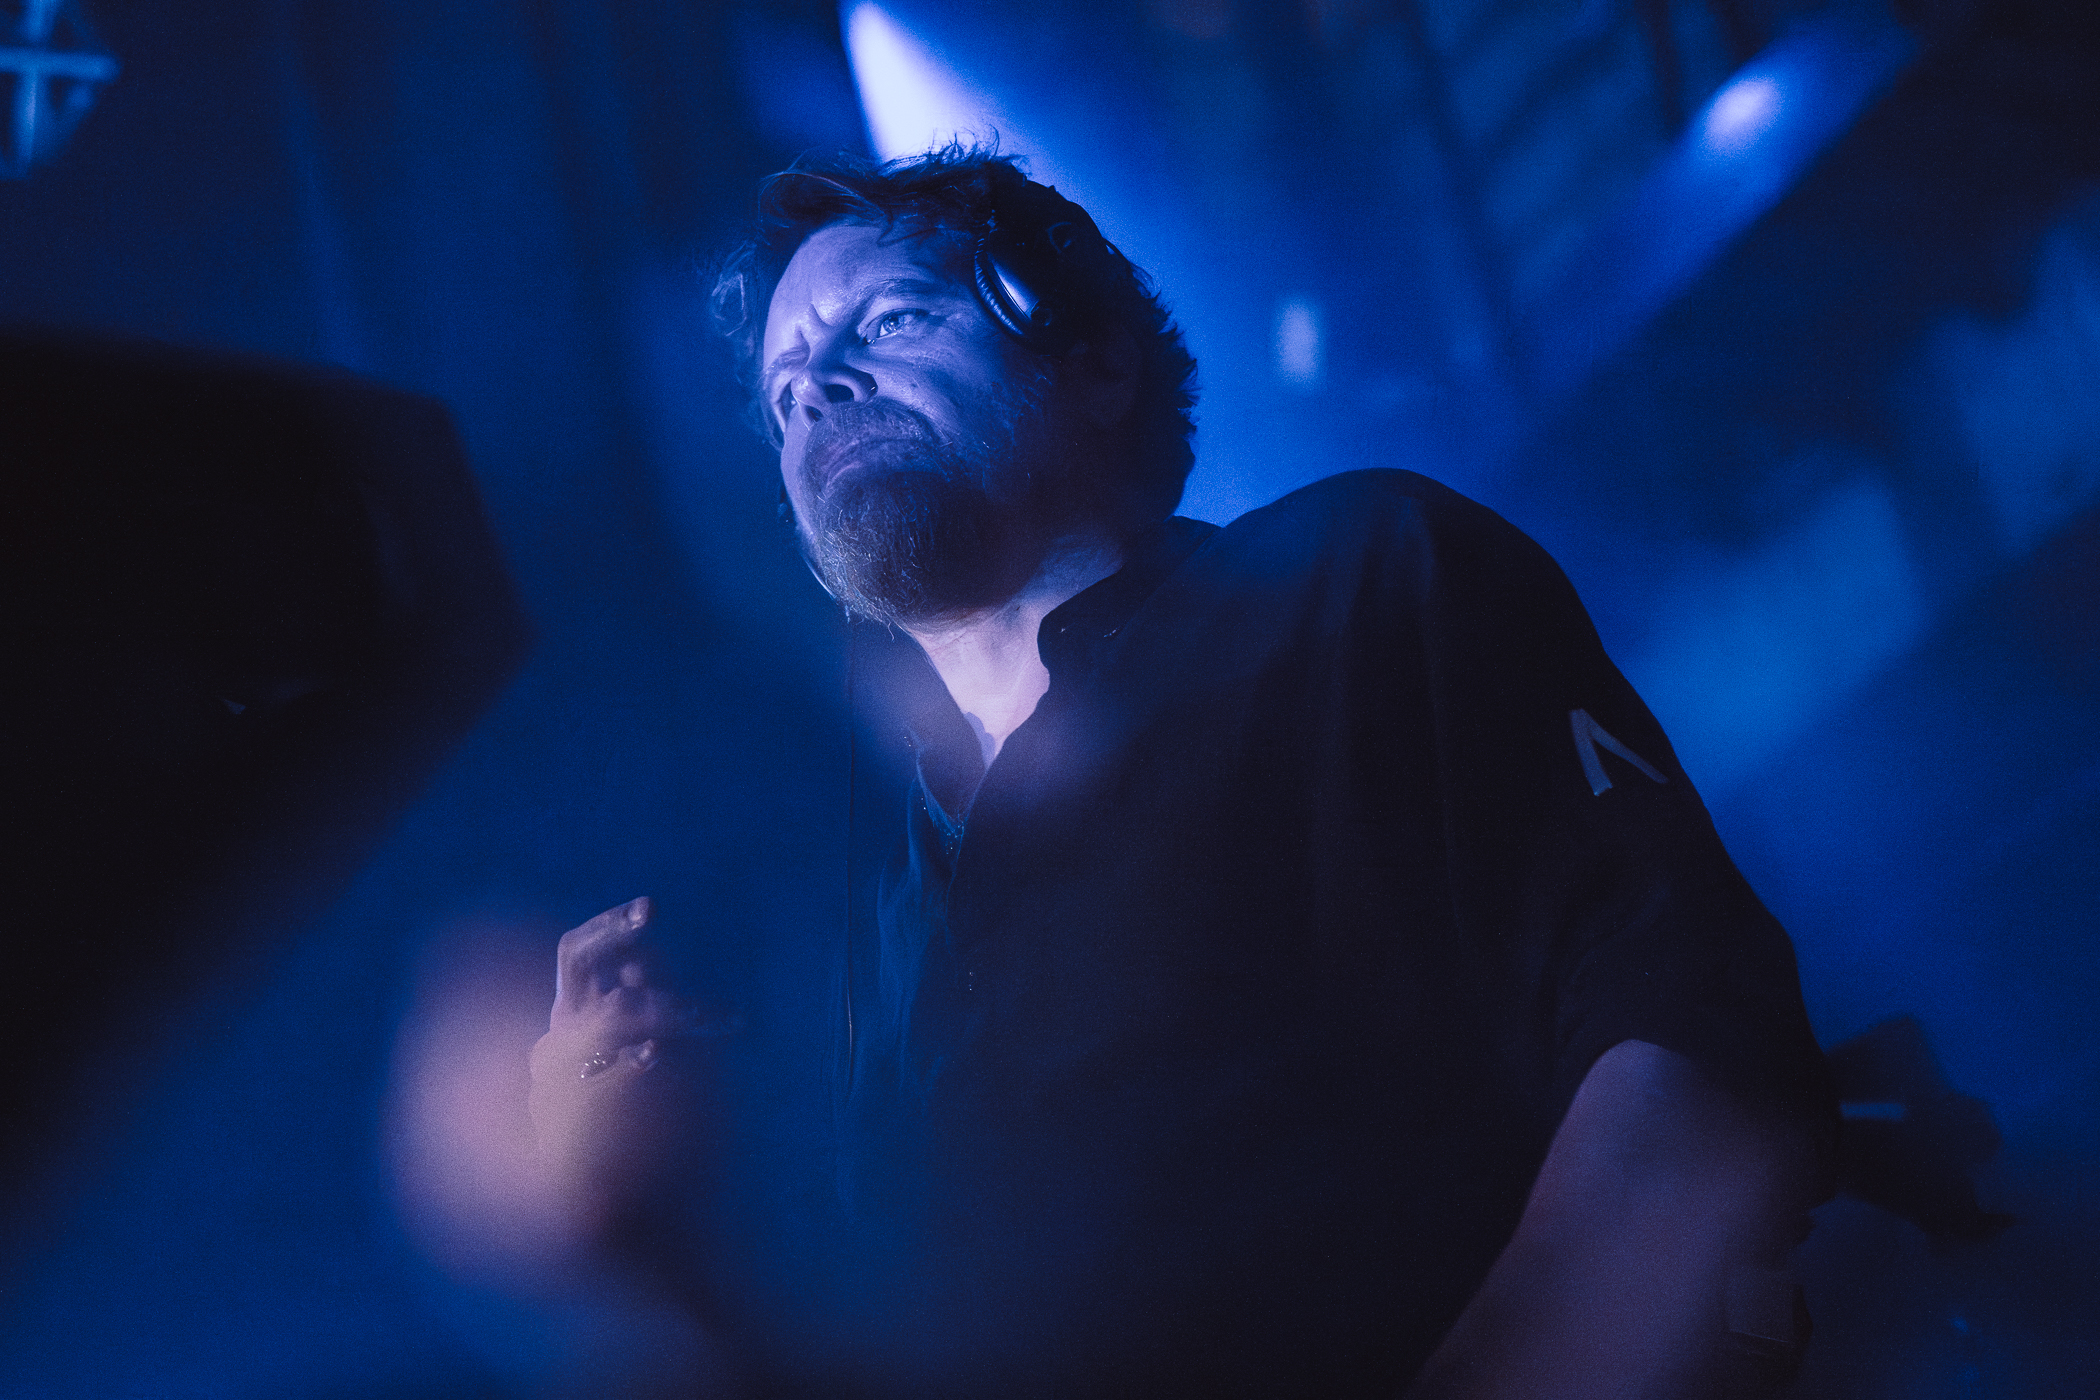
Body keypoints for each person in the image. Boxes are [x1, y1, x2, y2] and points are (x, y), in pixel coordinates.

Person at [528, 145, 1836, 1399]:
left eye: (888, 323)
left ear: (1091, 353)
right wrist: (620, 1226)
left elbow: (1691, 1056)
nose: (818, 389)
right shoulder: (864, 942)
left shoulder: (1365, 576)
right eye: (784, 389)